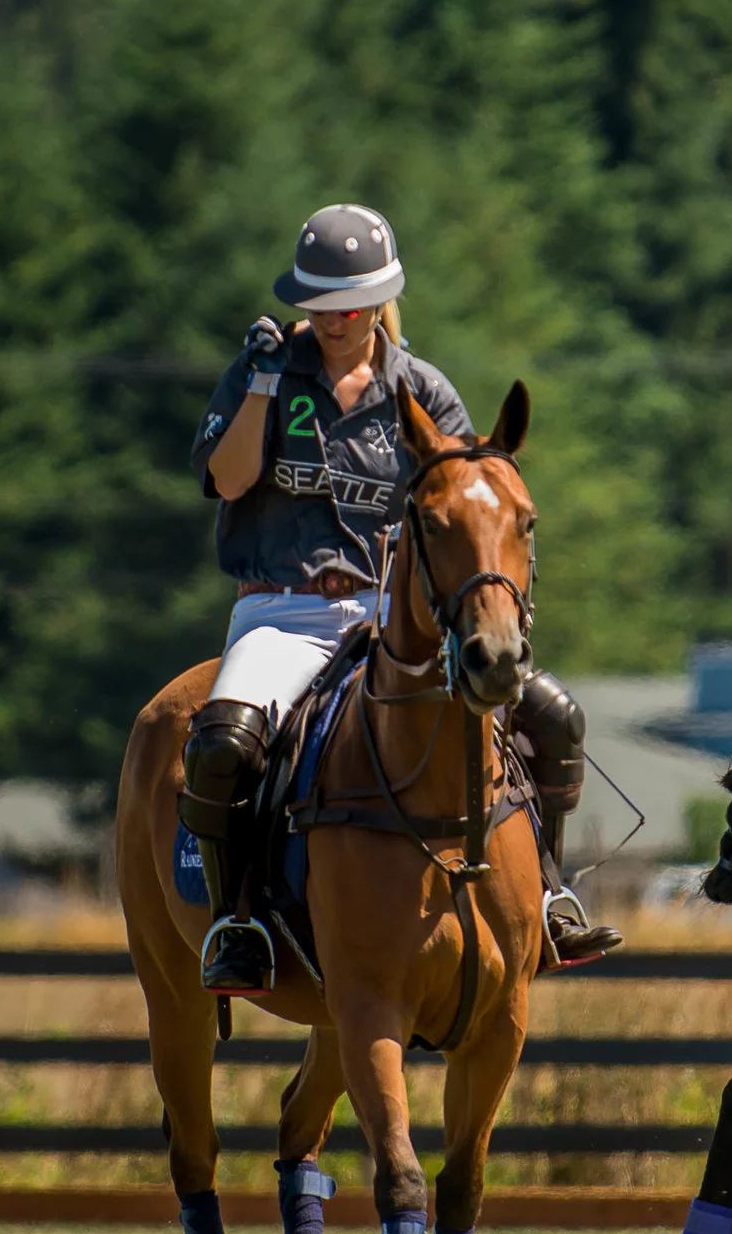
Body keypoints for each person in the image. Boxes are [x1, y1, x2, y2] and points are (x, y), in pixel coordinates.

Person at [180, 204, 617, 997]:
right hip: (285, 615)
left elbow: (470, 501)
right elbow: (231, 479)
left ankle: (549, 893)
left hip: (395, 618)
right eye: (318, 304)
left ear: (380, 301)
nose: (333, 320)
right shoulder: (266, 370)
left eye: (350, 307)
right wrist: (262, 385)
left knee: (553, 719)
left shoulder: (423, 391)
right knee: (223, 745)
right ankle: (237, 918)